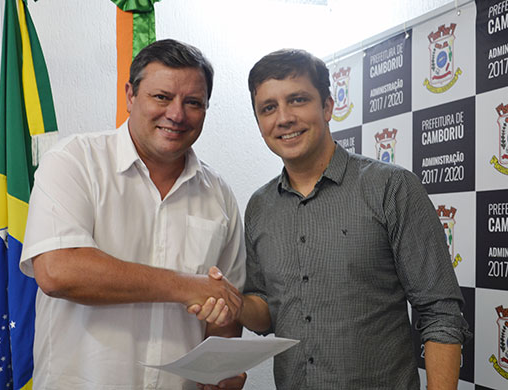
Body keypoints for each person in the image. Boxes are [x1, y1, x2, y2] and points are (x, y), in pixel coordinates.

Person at [200, 49, 471, 389]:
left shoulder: (391, 187)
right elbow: (267, 310)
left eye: (297, 100)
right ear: (258, 121)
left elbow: (441, 312)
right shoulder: (259, 206)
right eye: (268, 108)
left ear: (327, 106)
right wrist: (232, 303)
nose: (283, 118)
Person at [19, 39, 247, 390]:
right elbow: (58, 271)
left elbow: (224, 312)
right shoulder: (74, 161)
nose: (177, 114)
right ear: (130, 95)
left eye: (193, 103)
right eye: (161, 97)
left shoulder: (219, 195)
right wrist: (185, 286)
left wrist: (222, 373)